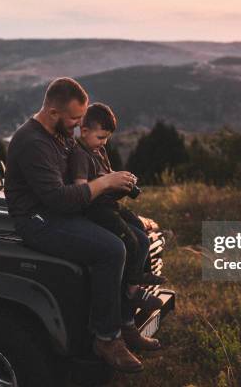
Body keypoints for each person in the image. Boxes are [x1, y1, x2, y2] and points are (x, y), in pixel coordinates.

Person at [4, 78, 152, 373]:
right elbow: (60, 200)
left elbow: (80, 181)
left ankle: (125, 323)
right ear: (53, 112)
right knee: (112, 249)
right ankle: (106, 338)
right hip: (37, 220)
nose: (77, 125)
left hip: (61, 212)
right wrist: (105, 182)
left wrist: (116, 185)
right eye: (73, 119)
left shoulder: (61, 134)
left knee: (134, 236)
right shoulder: (32, 142)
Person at [68, 103, 167, 347]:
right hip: (96, 209)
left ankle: (136, 281)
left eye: (106, 138)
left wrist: (123, 182)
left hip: (110, 204)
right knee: (130, 241)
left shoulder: (98, 151)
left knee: (143, 235)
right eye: (100, 137)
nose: (103, 142)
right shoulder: (80, 154)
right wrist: (106, 183)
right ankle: (133, 291)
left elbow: (108, 173)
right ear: (84, 129)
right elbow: (81, 188)